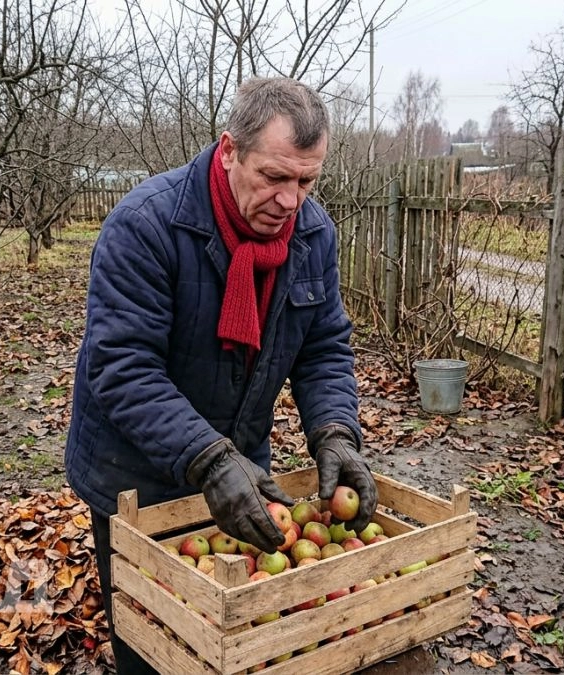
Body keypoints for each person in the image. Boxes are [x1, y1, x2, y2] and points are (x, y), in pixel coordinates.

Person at [64, 77, 378, 674]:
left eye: (307, 181)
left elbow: (324, 348)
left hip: (240, 472)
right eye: (274, 177)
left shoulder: (312, 236)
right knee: (153, 641)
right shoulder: (146, 227)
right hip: (135, 476)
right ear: (229, 150)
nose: (291, 200)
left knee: (232, 642)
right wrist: (207, 458)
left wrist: (336, 431)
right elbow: (122, 366)